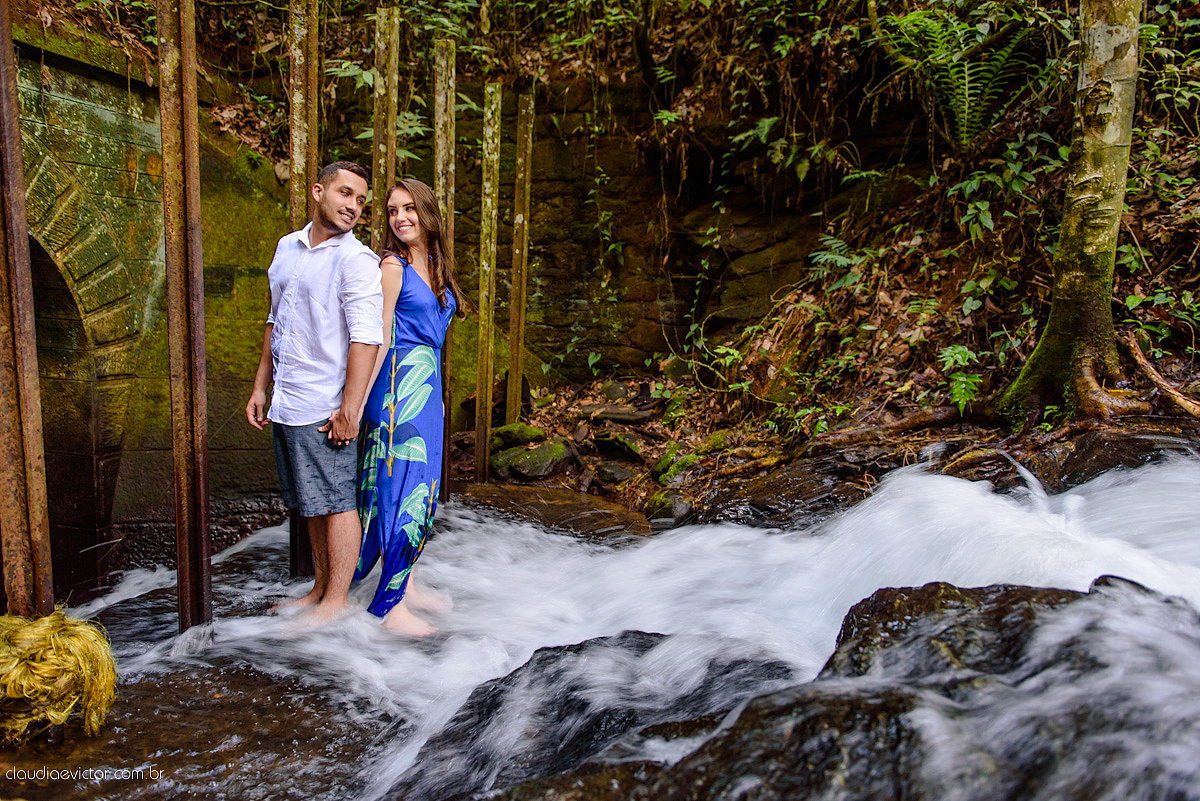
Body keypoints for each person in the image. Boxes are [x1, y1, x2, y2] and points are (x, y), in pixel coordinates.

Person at [245, 161, 383, 623]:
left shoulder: (356, 260)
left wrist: (350, 408)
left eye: (361, 201)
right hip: (287, 399)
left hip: (325, 403)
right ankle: (320, 589)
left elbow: (367, 337)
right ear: (318, 191)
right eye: (346, 194)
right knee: (310, 501)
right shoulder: (287, 248)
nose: (353, 207)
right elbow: (274, 320)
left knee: (338, 502)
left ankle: (337, 602)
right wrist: (261, 386)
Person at [355, 178, 465, 634]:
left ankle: (407, 583)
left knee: (423, 489)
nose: (400, 218)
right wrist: (359, 399)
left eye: (408, 209)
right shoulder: (392, 266)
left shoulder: (438, 264)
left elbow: (438, 343)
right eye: (392, 211)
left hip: (427, 388)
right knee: (400, 488)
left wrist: (439, 399)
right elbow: (379, 334)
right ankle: (388, 607)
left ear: (427, 213)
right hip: (398, 386)